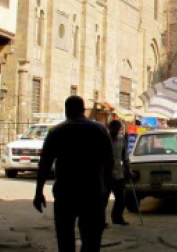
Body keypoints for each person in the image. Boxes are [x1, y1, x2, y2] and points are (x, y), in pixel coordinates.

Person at [33, 96, 114, 252]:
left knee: (65, 240)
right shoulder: (99, 130)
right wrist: (106, 189)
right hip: (91, 191)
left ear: (66, 111)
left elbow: (44, 164)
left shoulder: (57, 132)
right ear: (83, 110)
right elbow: (109, 162)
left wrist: (38, 192)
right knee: (91, 240)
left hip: (65, 192)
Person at [105, 119, 131, 226]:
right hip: (106, 174)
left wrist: (128, 170)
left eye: (117, 129)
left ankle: (117, 218)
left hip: (119, 173)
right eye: (113, 128)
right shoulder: (104, 140)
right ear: (109, 128)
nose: (115, 131)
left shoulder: (121, 140)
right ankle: (100, 221)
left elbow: (125, 156)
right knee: (103, 199)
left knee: (121, 198)